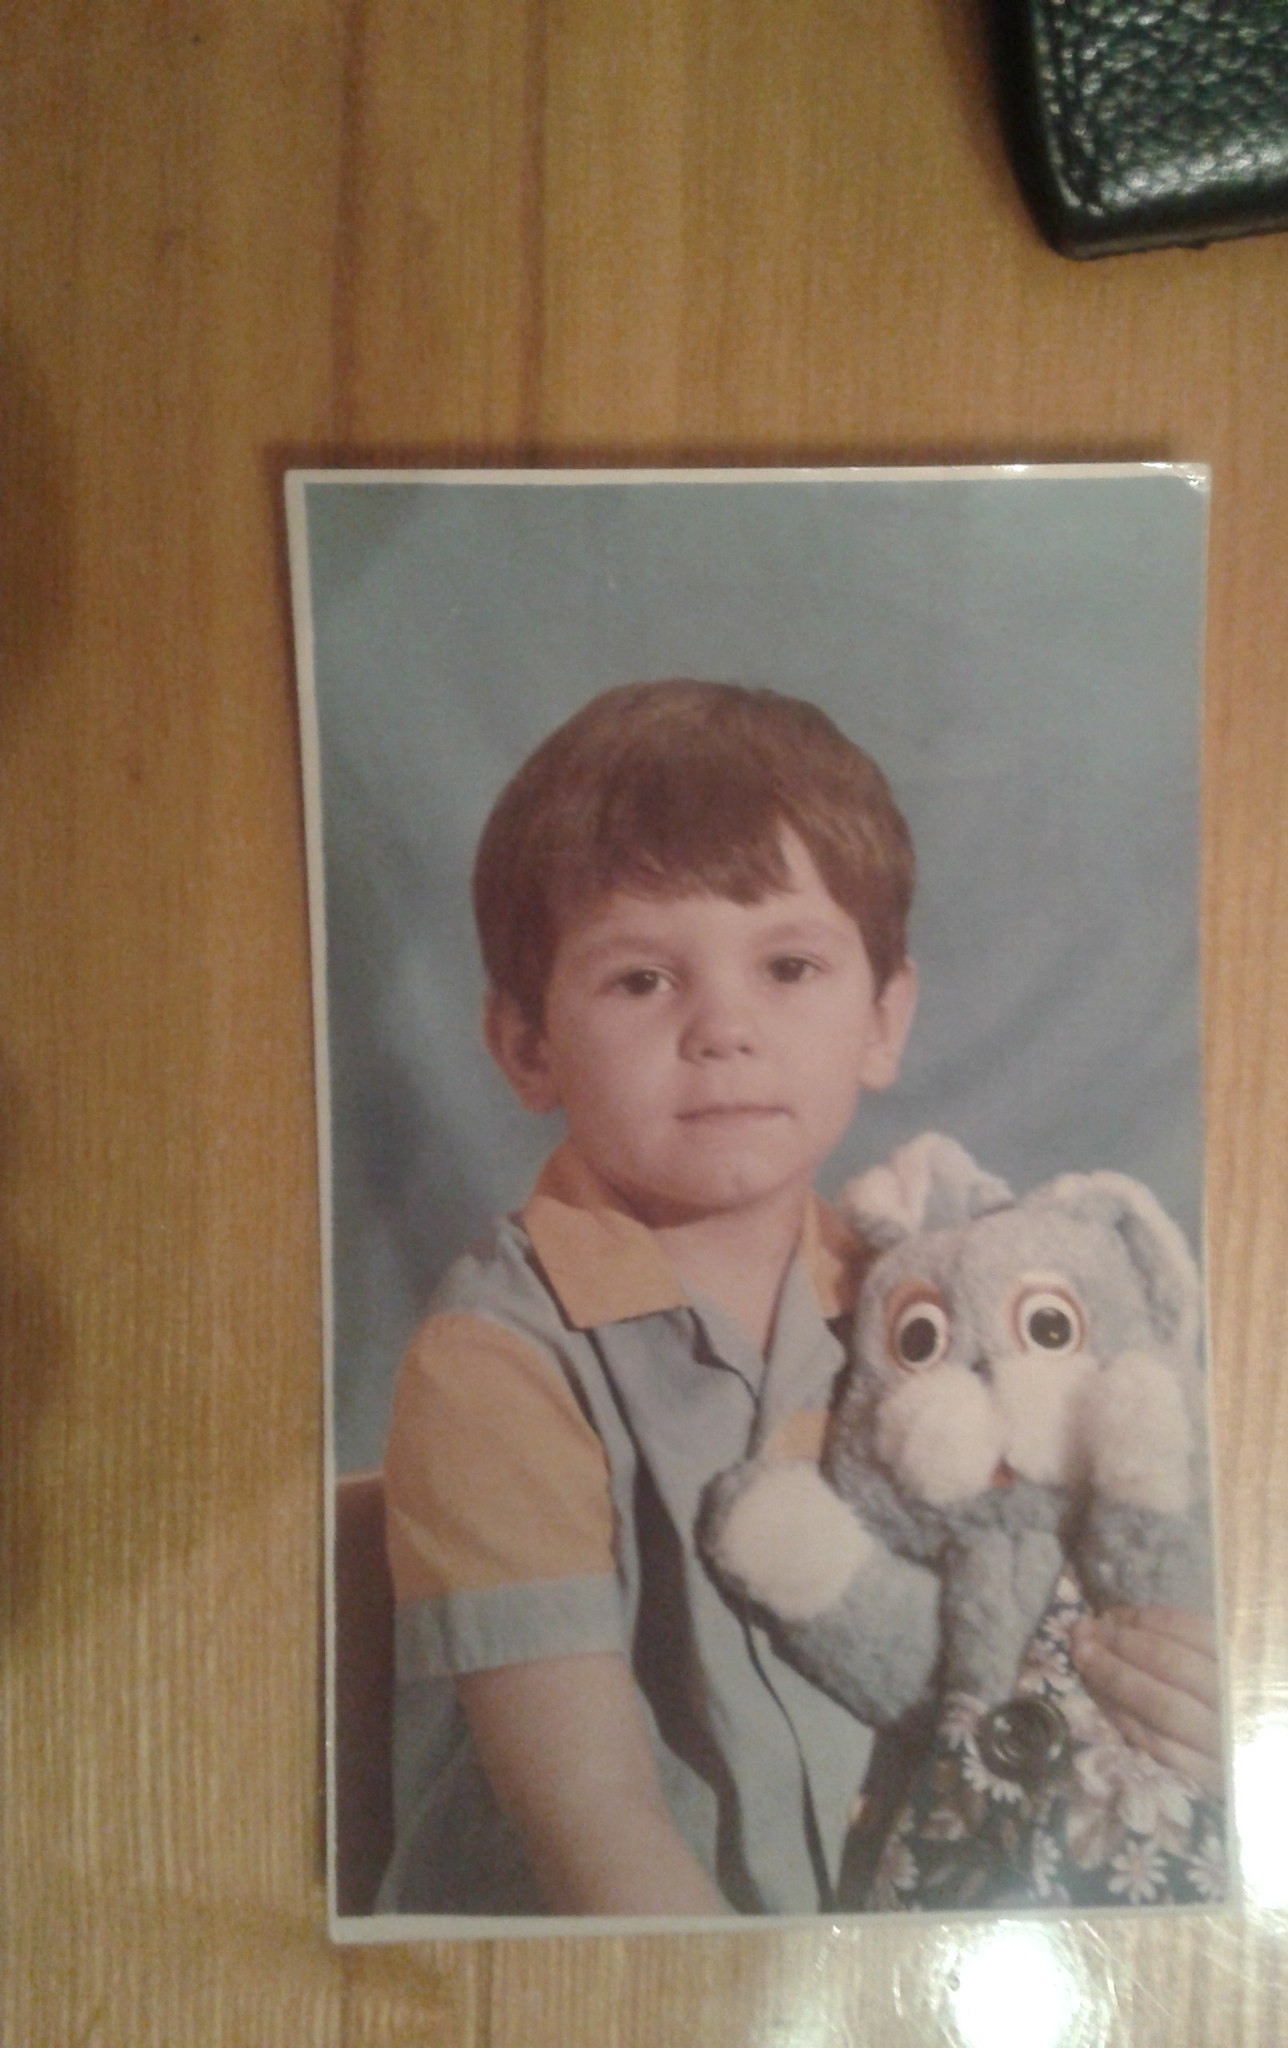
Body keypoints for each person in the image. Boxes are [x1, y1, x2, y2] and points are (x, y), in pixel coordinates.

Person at [373, 679, 1219, 1919]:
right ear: (525, 1044)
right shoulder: (494, 1360)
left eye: (788, 965)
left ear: (882, 1017)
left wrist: (1190, 1708)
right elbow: (599, 1834)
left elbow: (1058, 1614)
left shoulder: (932, 1299)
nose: (724, 1026)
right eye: (640, 979)